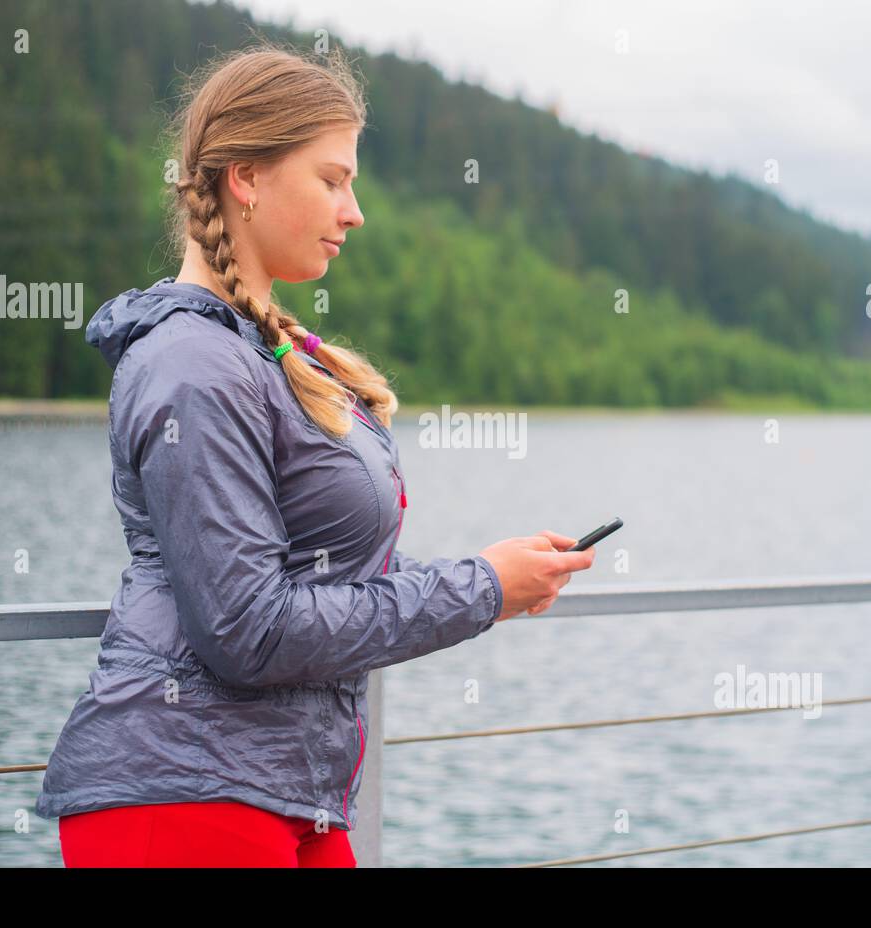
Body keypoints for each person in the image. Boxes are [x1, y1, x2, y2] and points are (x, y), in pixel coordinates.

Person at [34, 43, 594, 867]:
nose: (355, 210)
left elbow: (325, 580)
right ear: (247, 178)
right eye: (333, 179)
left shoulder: (268, 353)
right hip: (180, 791)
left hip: (283, 788)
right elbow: (248, 629)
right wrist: (481, 588)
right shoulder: (190, 363)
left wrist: (495, 578)